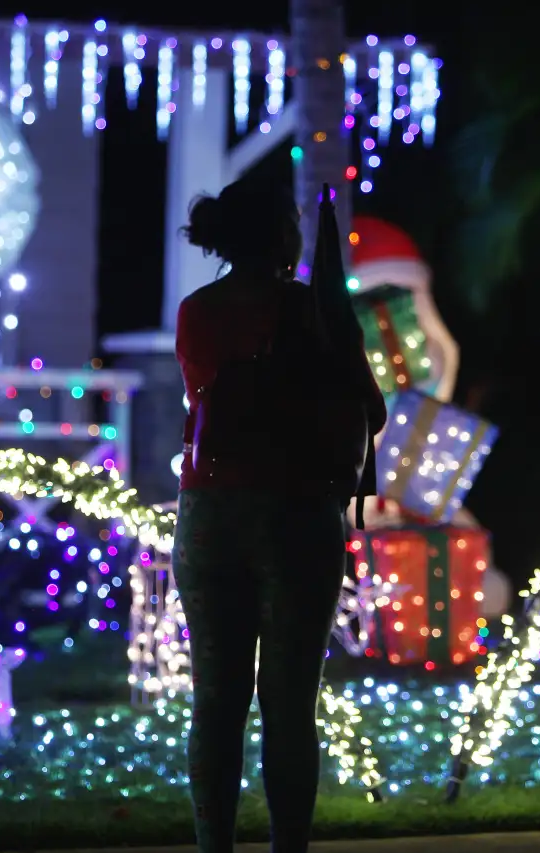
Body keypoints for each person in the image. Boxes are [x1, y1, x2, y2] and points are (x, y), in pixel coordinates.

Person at [174, 179, 387, 853]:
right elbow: (371, 409)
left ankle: (215, 846)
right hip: (298, 514)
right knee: (290, 704)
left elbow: (203, 401)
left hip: (208, 515)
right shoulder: (315, 310)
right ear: (282, 234)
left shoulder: (197, 311)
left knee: (216, 699)